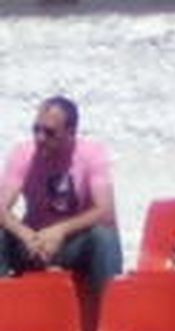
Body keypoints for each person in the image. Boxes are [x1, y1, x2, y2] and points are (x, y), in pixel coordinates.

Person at [0, 96, 122, 305]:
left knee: (104, 237)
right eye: (36, 129)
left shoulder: (92, 154)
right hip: (32, 244)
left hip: (70, 246)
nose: (40, 137)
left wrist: (60, 231)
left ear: (71, 132)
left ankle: (113, 319)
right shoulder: (23, 154)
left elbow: (106, 212)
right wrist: (25, 234)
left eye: (49, 132)